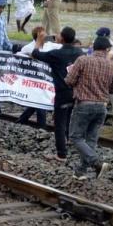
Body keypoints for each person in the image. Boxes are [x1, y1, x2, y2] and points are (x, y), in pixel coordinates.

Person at [64, 36, 113, 180]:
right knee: (91, 140)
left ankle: (97, 162)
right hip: (102, 107)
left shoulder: (83, 60)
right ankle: (80, 172)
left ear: (93, 47)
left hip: (84, 104)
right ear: (107, 49)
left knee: (75, 136)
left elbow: (69, 80)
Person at [32, 27, 83, 161]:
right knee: (69, 118)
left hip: (62, 92)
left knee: (59, 123)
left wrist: (39, 40)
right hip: (75, 91)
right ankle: (67, 140)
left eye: (59, 34)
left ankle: (61, 154)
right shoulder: (79, 52)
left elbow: (35, 53)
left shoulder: (56, 54)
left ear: (62, 38)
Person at [16, 27, 60, 127]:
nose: (46, 36)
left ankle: (22, 119)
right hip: (33, 80)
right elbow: (19, 59)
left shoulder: (50, 46)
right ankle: (42, 127)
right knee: (40, 101)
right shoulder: (28, 48)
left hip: (47, 80)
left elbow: (61, 48)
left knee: (37, 101)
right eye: (43, 34)